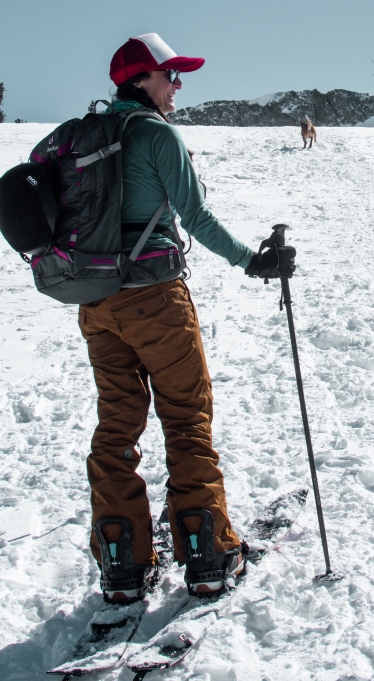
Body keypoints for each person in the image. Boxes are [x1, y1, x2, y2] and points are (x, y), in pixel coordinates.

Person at [80, 33, 279, 602]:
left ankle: (121, 561)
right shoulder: (153, 133)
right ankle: (207, 554)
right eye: (169, 75)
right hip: (155, 301)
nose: (177, 86)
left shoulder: (86, 136)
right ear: (140, 80)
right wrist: (252, 261)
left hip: (96, 306)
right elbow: (194, 214)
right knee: (187, 418)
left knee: (116, 428)